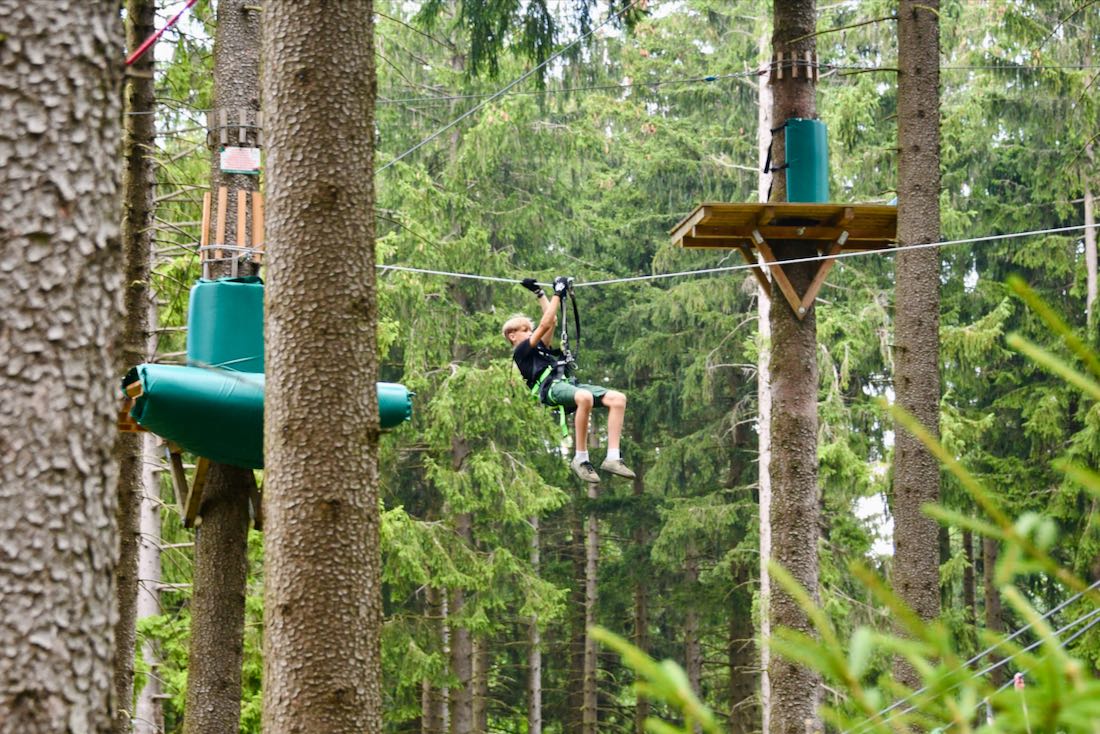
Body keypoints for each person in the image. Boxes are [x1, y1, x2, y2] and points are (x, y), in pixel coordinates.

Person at [503, 276, 636, 483]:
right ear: (513, 336)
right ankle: (580, 458)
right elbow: (545, 322)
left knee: (618, 399)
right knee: (584, 398)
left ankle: (612, 457)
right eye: (526, 330)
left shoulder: (539, 347)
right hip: (550, 389)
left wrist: (540, 293)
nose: (531, 332)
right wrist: (557, 293)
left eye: (530, 330)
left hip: (565, 384)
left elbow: (552, 321)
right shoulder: (521, 351)